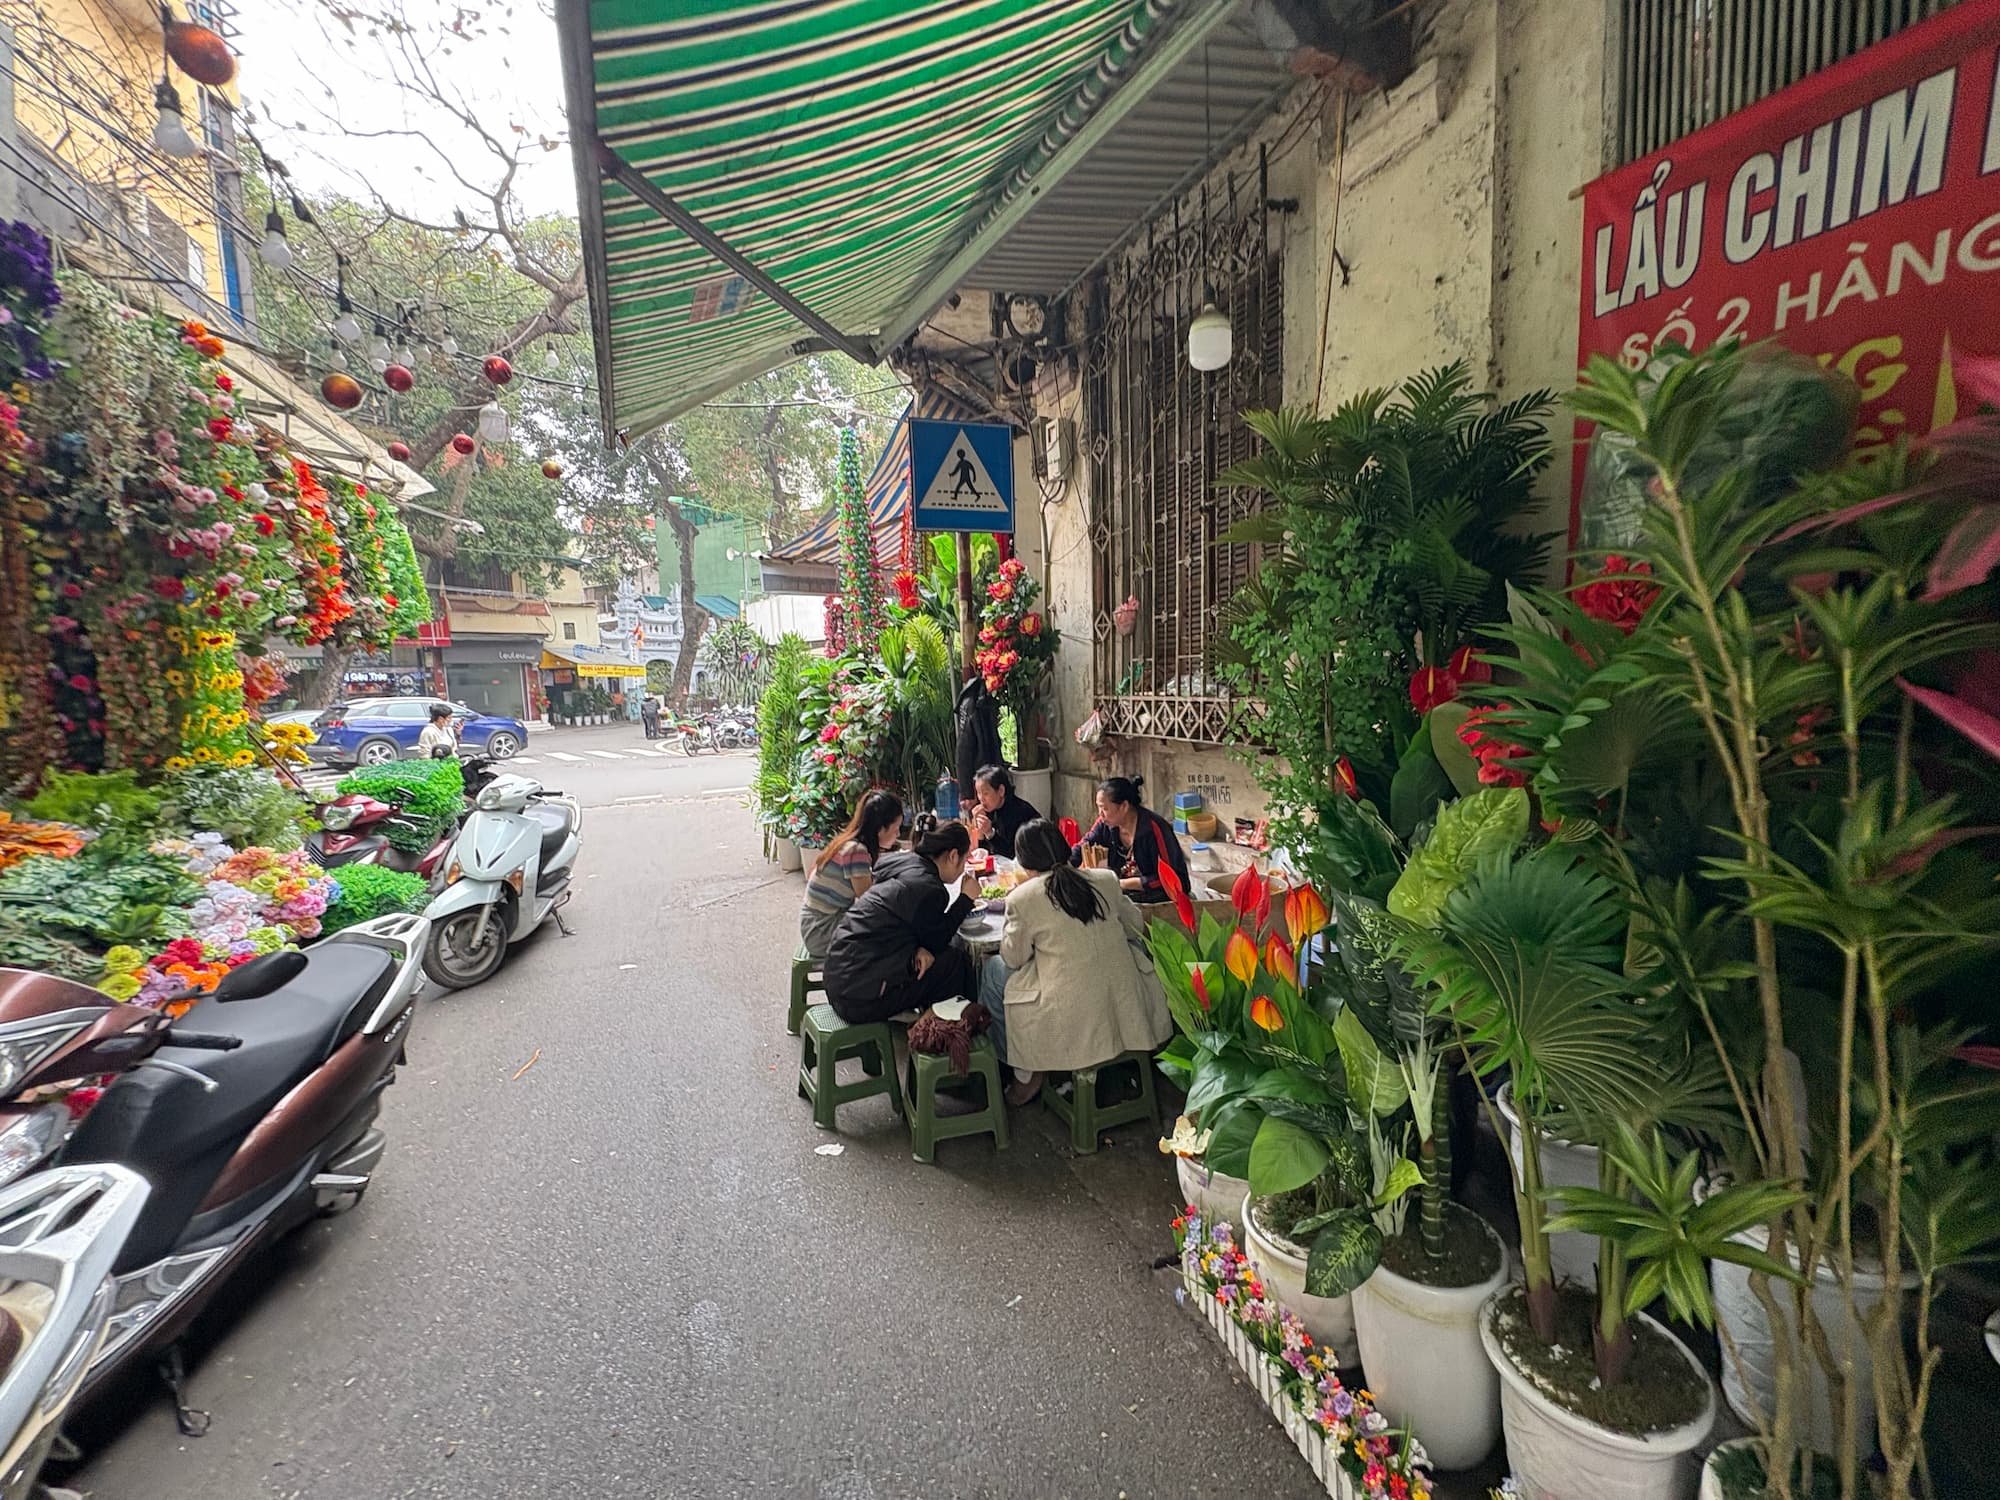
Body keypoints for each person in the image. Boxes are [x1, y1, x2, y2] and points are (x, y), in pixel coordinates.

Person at [978, 820, 1171, 1106]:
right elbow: (1135, 928)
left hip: (1068, 1011)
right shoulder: (1105, 879)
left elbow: (1013, 958)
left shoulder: (1023, 898)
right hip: (1119, 1000)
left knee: (993, 970)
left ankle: (1023, 1071)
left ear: (1026, 862)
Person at [824, 814, 979, 1026]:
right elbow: (937, 940)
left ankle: (933, 1021)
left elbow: (896, 919)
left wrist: (916, 947)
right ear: (953, 856)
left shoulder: (901, 860)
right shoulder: (930, 889)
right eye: (964, 859)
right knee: (954, 963)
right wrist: (965, 899)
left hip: (839, 978)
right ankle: (936, 1036)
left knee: (935, 959)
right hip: (859, 1000)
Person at [799, 790, 905, 960]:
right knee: (890, 932)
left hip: (816, 923)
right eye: (896, 828)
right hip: (821, 930)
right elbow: (869, 901)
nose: (898, 834)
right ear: (880, 829)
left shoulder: (850, 842)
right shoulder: (856, 851)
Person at [1071, 775, 1189, 904]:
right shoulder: (1104, 824)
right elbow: (1081, 848)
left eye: (1105, 808)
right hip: (1124, 894)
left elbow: (1173, 880)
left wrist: (1121, 884)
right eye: (1098, 807)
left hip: (1158, 898)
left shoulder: (1155, 829)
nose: (1100, 814)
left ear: (1124, 806)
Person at [967, 764, 1040, 860]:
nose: (981, 799)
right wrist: (980, 831)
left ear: (1001, 790)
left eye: (985, 793)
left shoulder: (1019, 812)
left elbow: (1009, 854)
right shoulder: (989, 809)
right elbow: (985, 852)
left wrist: (990, 833)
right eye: (978, 793)